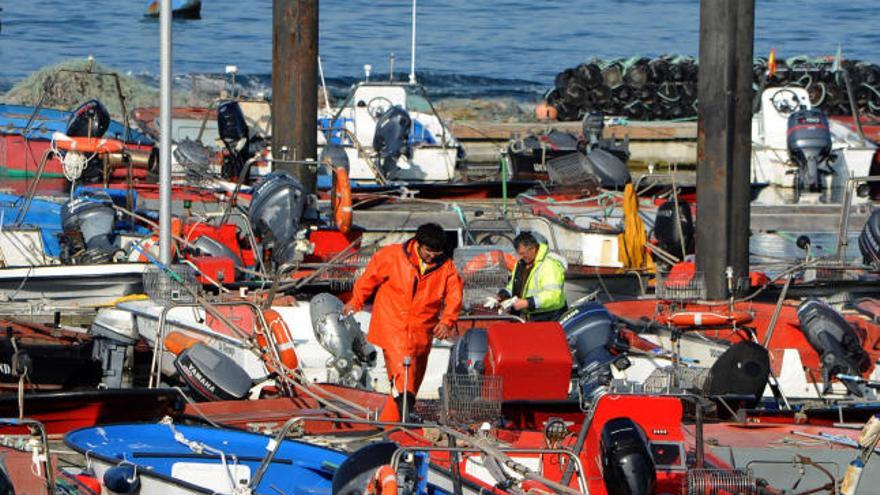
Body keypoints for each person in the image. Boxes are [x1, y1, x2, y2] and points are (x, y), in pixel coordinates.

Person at [342, 223, 463, 422]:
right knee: (401, 373)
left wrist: (447, 321)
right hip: (393, 325)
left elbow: (454, 295)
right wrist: (356, 301)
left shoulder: (446, 267)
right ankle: (406, 420)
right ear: (418, 244)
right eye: (428, 251)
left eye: (437, 252)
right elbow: (368, 279)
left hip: (422, 331)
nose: (432, 256)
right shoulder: (391, 256)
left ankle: (396, 419)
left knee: (414, 378)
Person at [497, 232, 568, 321]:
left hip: (549, 317)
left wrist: (528, 303)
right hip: (530, 316)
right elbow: (513, 286)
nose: (521, 257)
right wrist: (503, 294)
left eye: (523, 253)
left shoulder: (550, 265)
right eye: (519, 253)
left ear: (533, 249)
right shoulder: (521, 263)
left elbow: (553, 295)